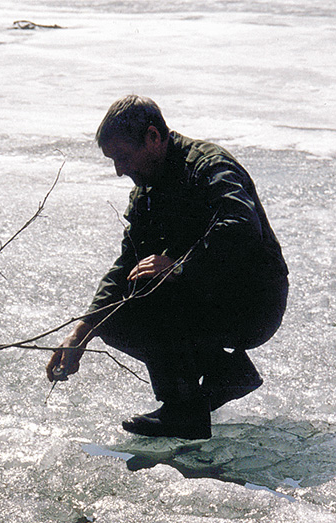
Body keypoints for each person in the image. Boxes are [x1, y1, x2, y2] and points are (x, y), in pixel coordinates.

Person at [46, 96, 289, 440]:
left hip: (253, 301)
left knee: (152, 287)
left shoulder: (208, 166)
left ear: (153, 137)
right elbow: (127, 262)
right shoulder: (147, 188)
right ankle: (226, 374)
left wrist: (178, 266)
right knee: (114, 311)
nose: (119, 170)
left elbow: (241, 227)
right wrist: (82, 331)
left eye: (123, 157)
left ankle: (183, 411)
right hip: (205, 297)